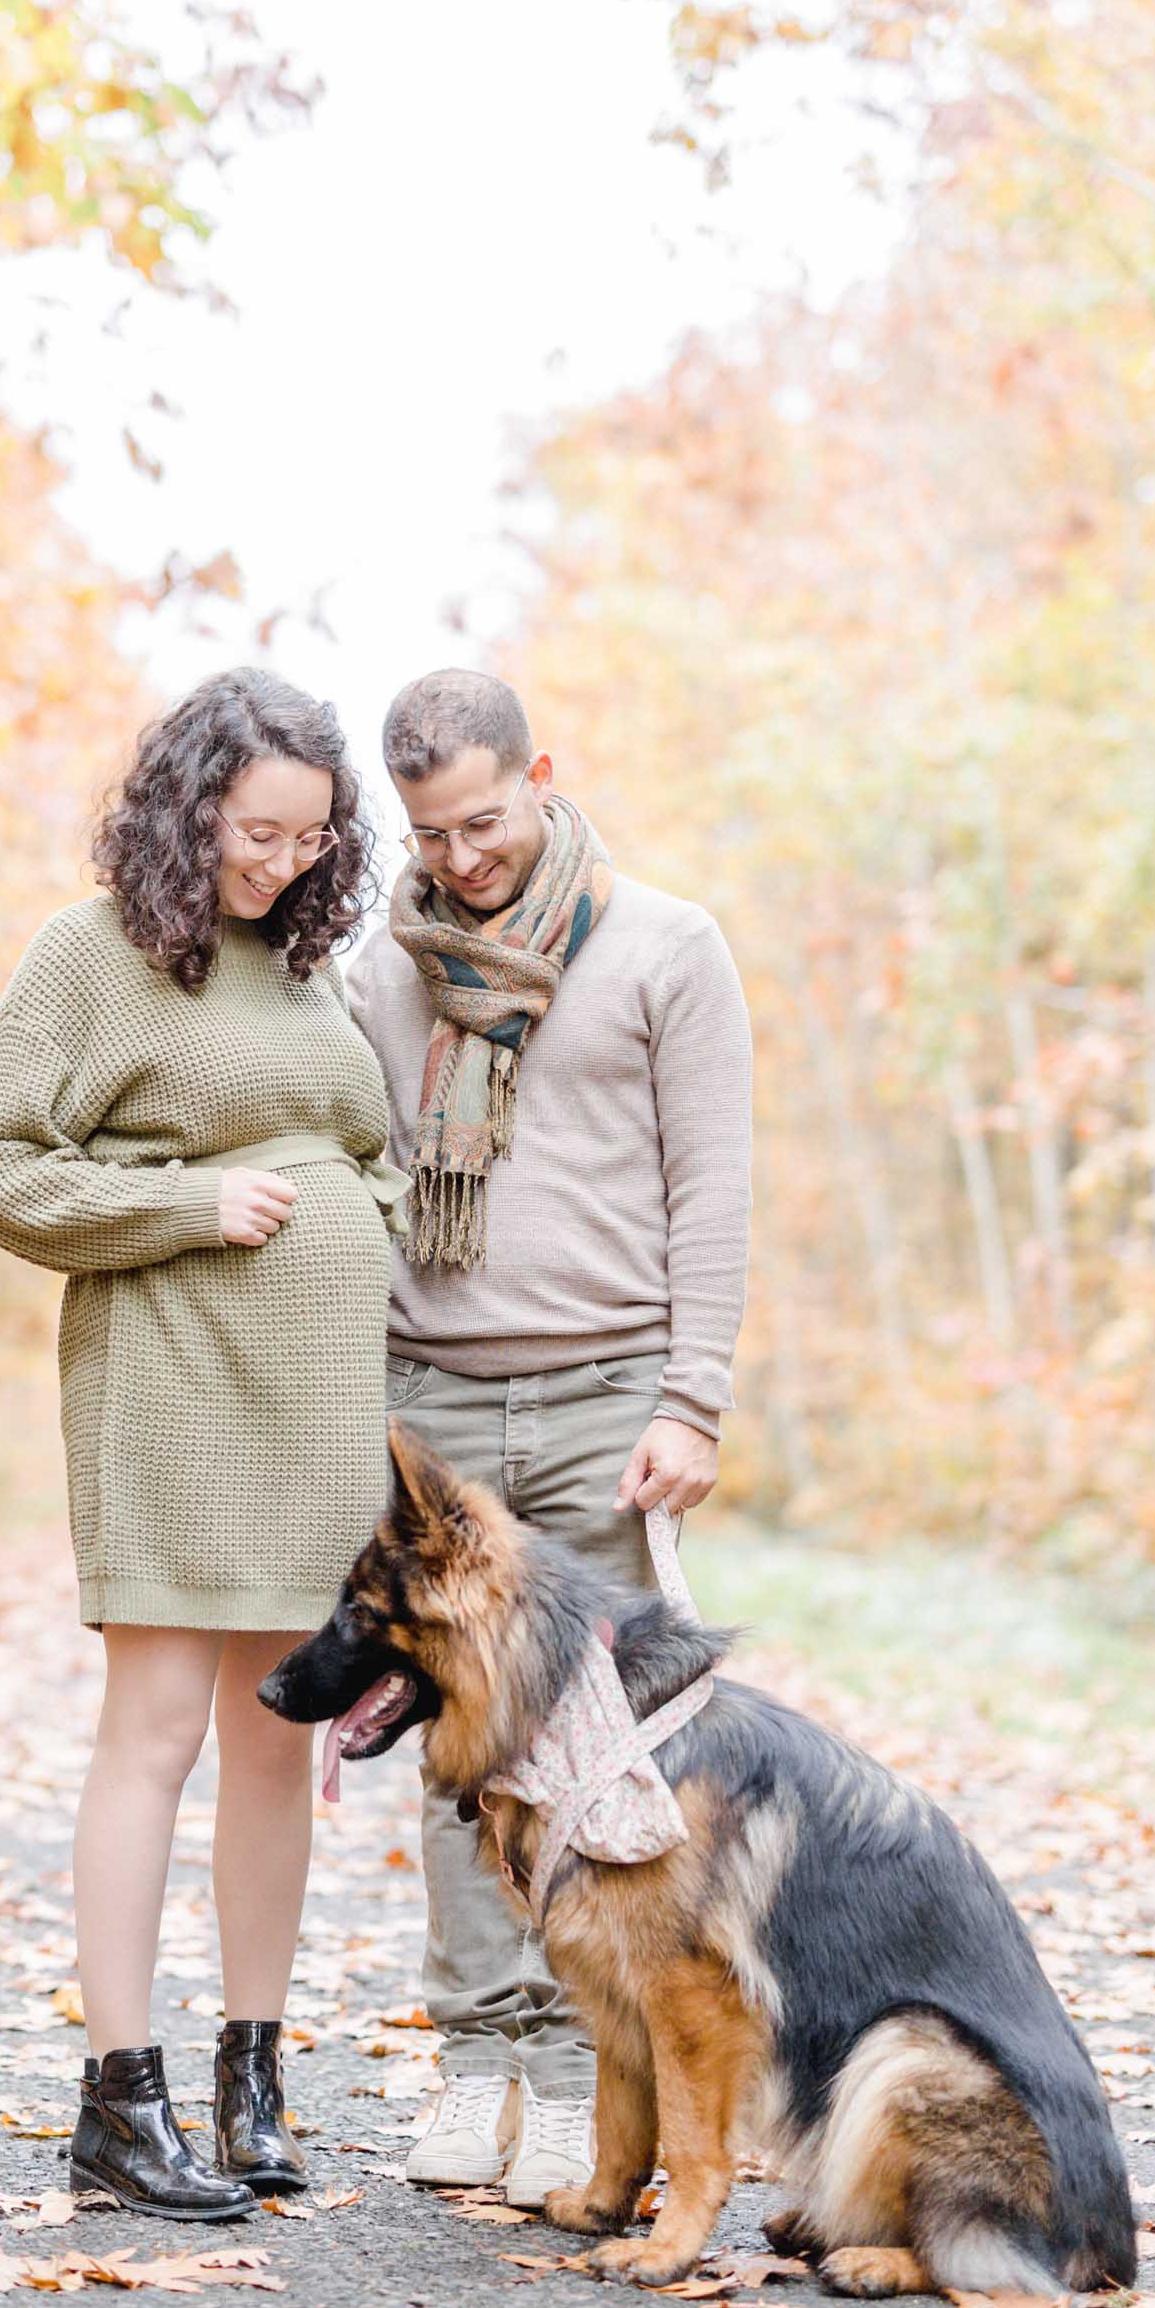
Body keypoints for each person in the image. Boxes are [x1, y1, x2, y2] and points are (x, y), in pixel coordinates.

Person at [0, 668, 399, 2222]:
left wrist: (367, 1226)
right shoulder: (89, 957)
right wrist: (186, 1208)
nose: (279, 864)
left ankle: (251, 2080)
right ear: (190, 800)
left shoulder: (304, 970)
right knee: (156, 1727)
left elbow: (367, 1155)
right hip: (170, 1377)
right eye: (255, 831)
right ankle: (119, 2104)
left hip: (318, 1405)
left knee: (280, 1736)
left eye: (308, 841)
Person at [344, 667, 752, 2209]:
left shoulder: (665, 944)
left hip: (607, 1399)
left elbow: (712, 1185)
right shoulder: (377, 971)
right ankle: (477, 2071)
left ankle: (633, 2087)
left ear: (544, 775)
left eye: (483, 820)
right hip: (429, 1411)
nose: (459, 860)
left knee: (623, 1758)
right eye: (429, 834)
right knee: (460, 1751)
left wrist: (690, 1394)